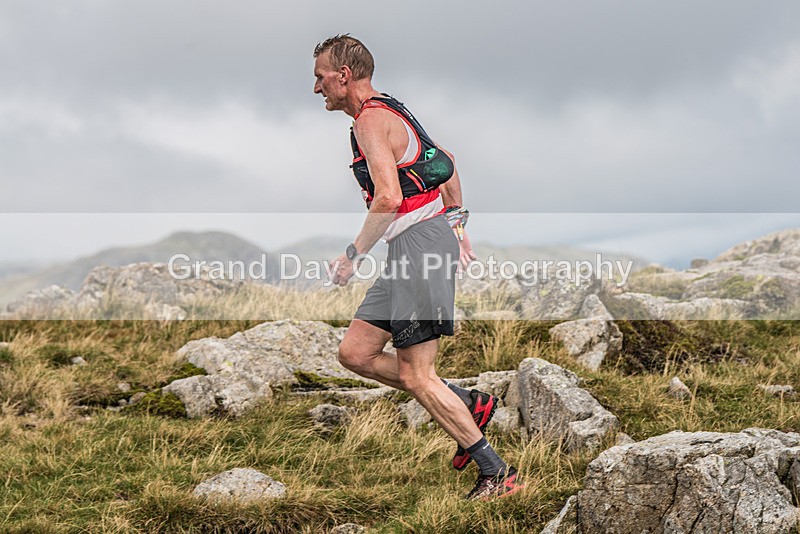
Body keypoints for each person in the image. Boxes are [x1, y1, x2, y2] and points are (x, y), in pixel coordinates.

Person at [312, 34, 522, 500]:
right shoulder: (392, 109)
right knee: (356, 353)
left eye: (320, 77)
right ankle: (469, 403)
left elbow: (388, 197)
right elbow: (445, 163)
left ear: (343, 76)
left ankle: (497, 473)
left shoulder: (371, 120)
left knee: (416, 375)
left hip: (418, 248)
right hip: (416, 247)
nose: (316, 87)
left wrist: (351, 256)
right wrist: (458, 228)